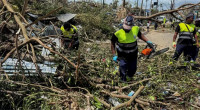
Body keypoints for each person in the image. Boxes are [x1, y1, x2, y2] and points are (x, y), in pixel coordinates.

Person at [111, 16, 155, 81]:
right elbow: (112, 43)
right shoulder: (118, 33)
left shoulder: (135, 29)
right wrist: (114, 55)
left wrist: (147, 41)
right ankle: (123, 81)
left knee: (133, 69)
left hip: (133, 54)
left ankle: (129, 77)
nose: (127, 29)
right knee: (123, 67)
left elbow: (140, 35)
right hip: (122, 55)